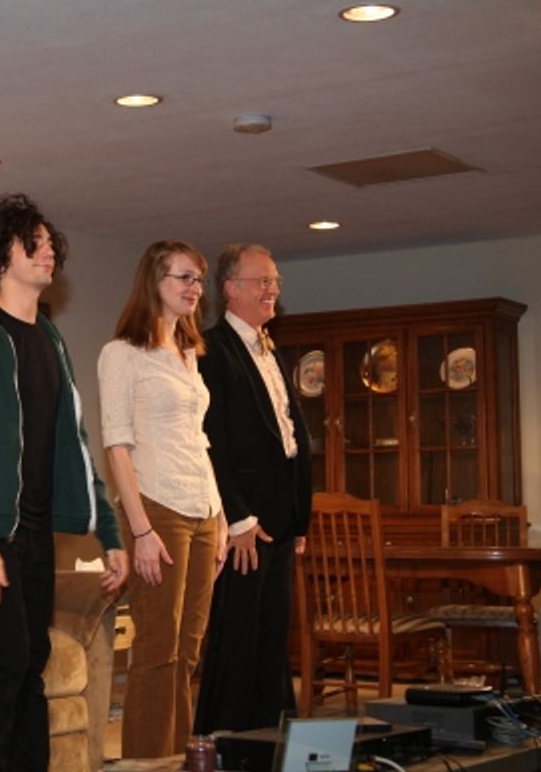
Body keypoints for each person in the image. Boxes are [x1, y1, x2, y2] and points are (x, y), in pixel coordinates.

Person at [0, 192, 128, 772]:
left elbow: (75, 444)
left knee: (31, 660)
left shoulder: (50, 339)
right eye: (33, 244)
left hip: (38, 532)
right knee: (5, 659)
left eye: (49, 245)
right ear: (0, 256)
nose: (48, 254)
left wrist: (110, 532)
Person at [96, 240, 227, 758]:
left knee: (188, 651)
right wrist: (142, 531)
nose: (194, 287)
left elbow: (198, 439)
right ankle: (148, 764)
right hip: (156, 507)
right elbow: (116, 445)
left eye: (198, 278)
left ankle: (180, 759)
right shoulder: (122, 354)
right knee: (156, 649)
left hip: (202, 509)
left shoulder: (189, 354)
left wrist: (220, 520)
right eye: (183, 277)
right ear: (154, 283)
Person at [193, 243, 311, 734]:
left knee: (270, 640)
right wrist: (237, 517)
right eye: (262, 281)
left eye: (275, 282)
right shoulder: (211, 348)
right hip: (245, 523)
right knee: (237, 639)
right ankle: (225, 745)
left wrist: (298, 520)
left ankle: (274, 742)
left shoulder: (269, 347)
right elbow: (211, 440)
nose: (272, 291)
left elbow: (288, 435)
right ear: (230, 289)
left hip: (281, 521)